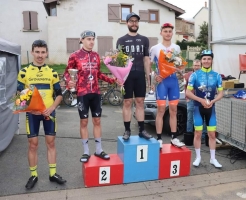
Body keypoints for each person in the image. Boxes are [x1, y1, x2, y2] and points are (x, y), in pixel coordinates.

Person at [17, 40, 66, 189]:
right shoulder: (24, 72)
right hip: (32, 114)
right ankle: (33, 175)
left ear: (47, 53)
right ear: (32, 52)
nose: (40, 55)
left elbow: (59, 95)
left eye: (43, 52)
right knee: (33, 145)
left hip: (48, 113)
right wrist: (28, 108)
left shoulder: (51, 72)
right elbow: (19, 96)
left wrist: (51, 108)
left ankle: (53, 174)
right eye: (37, 52)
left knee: (51, 143)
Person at [65, 30, 117, 163]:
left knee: (97, 121)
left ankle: (99, 149)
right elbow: (67, 73)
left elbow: (98, 73)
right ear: (81, 40)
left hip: (96, 93)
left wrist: (112, 80)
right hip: (82, 93)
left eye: (93, 39)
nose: (91, 41)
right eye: (88, 39)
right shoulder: (74, 56)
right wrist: (68, 83)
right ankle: (86, 151)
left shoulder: (96, 56)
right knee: (84, 122)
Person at [116, 12, 152, 140]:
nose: (134, 23)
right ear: (127, 23)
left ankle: (142, 130)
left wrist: (149, 77)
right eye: (131, 21)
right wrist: (119, 78)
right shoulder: (121, 40)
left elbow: (146, 60)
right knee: (127, 102)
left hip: (140, 74)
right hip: (127, 76)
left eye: (136, 21)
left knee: (140, 102)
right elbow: (118, 62)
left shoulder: (144, 40)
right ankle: (127, 131)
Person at [150, 23, 185, 148]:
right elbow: (150, 66)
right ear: (161, 33)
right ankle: (159, 139)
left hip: (173, 82)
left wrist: (181, 72)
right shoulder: (155, 48)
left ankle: (174, 138)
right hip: (161, 83)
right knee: (160, 110)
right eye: (165, 31)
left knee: (174, 110)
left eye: (170, 31)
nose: (168, 33)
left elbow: (179, 65)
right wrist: (154, 78)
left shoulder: (176, 48)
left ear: (172, 33)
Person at [186, 49, 224, 168]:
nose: (206, 61)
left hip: (211, 108)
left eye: (209, 59)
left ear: (212, 60)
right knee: (197, 133)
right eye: (204, 59)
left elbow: (221, 93)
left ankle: (213, 159)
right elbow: (188, 92)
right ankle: (198, 157)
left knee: (212, 134)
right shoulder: (195, 75)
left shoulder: (217, 75)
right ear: (201, 61)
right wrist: (201, 100)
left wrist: (213, 101)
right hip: (198, 107)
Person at [184, 60, 201, 137]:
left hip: (201, 100)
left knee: (201, 118)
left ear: (201, 66)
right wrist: (187, 97)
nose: (196, 67)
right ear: (192, 66)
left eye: (198, 65)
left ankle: (202, 137)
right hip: (190, 99)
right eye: (195, 65)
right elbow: (185, 87)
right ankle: (189, 135)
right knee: (190, 118)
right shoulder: (187, 75)